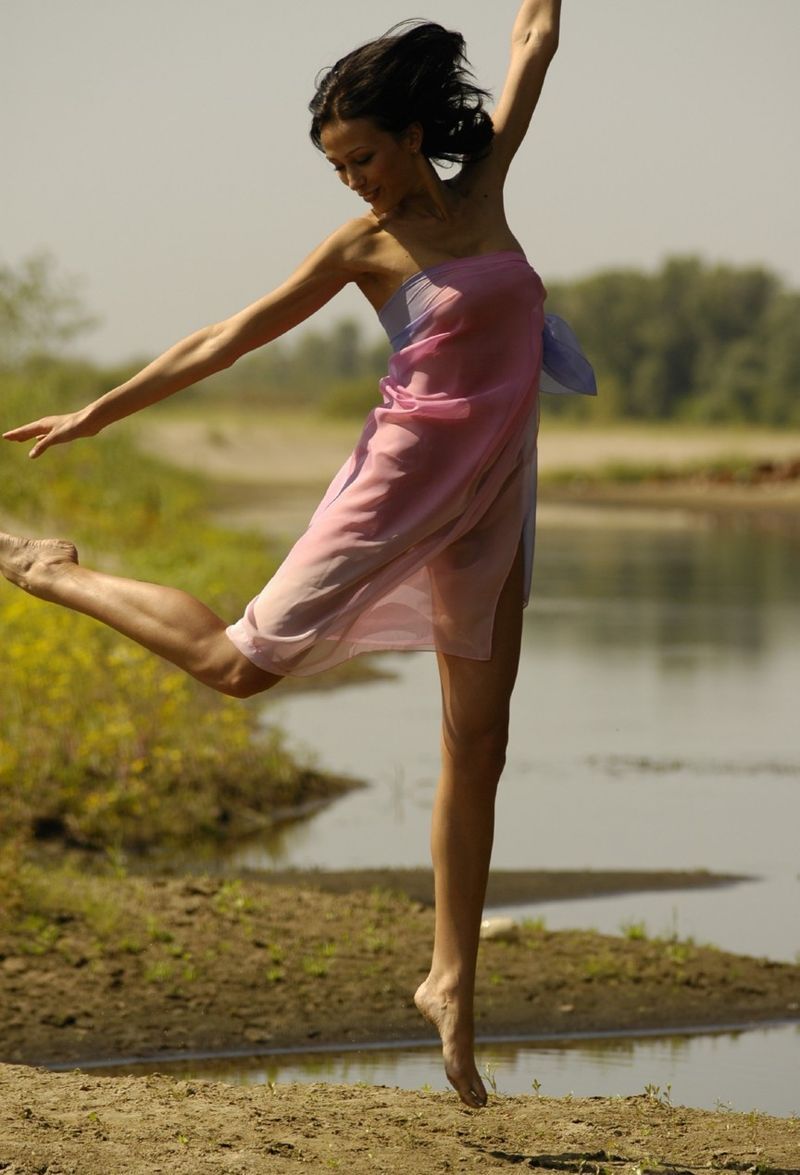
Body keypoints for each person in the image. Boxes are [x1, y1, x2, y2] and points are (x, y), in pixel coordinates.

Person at [1, 1, 582, 1108]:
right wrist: (99, 410)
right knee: (236, 666)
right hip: (394, 484)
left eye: (361, 156)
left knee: (480, 738)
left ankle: (449, 980)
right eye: (336, 166)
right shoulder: (362, 248)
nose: (352, 180)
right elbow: (228, 336)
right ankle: (48, 569)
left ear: (413, 135)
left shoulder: (483, 188)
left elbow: (533, 42)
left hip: (495, 492)